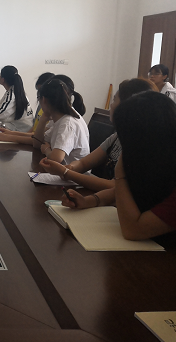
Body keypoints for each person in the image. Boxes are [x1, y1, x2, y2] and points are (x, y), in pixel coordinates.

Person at [62, 91, 176, 240]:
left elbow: (133, 231)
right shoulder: (157, 158)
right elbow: (124, 191)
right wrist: (88, 201)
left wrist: (120, 173)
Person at [40, 78, 157, 191]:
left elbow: (115, 187)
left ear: (128, 107)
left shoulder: (140, 146)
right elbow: (83, 163)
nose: (111, 105)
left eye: (114, 100)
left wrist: (66, 173)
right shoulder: (116, 137)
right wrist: (68, 168)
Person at [32, 78, 89, 164]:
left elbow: (56, 158)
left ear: (44, 100)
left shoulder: (67, 123)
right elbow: (37, 143)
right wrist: (43, 120)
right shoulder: (59, 119)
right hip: (62, 169)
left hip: (72, 172)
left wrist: (47, 150)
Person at [0, 72, 55, 144]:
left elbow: (38, 140)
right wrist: (10, 133)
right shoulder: (43, 109)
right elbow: (34, 133)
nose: (40, 97)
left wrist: (9, 137)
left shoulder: (53, 116)